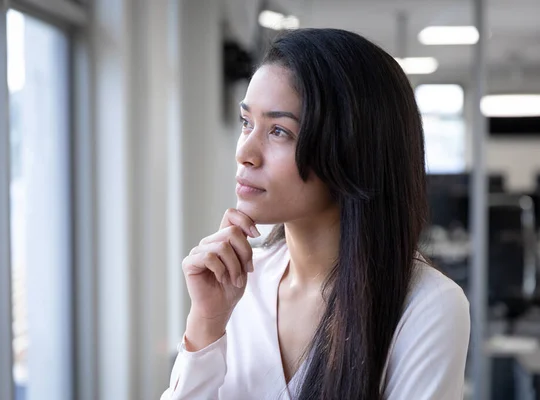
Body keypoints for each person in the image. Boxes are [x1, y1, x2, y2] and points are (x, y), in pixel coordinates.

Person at [161, 28, 470, 400]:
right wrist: (206, 322)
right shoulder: (240, 283)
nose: (246, 152)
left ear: (352, 148)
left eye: (278, 131)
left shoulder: (427, 304)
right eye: (247, 123)